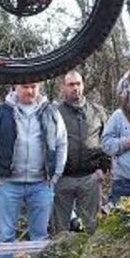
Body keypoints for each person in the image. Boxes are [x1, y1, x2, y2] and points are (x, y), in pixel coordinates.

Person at [0, 82, 67, 258]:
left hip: (41, 183)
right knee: (5, 235)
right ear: (15, 88)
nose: (29, 91)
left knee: (40, 236)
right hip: (8, 183)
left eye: (33, 86)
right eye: (25, 87)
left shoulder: (51, 112)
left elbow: (61, 144)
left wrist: (55, 175)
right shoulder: (1, 112)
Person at [52, 70, 108, 235]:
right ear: (63, 87)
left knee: (92, 228)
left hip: (90, 177)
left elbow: (106, 140)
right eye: (71, 84)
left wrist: (103, 168)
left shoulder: (97, 111)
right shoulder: (55, 113)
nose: (75, 88)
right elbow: (48, 144)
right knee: (60, 231)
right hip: (63, 179)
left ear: (83, 85)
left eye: (78, 84)